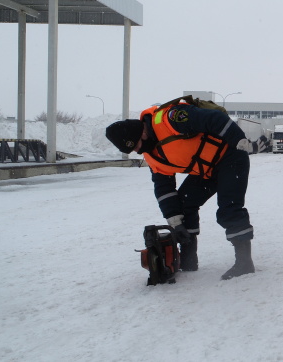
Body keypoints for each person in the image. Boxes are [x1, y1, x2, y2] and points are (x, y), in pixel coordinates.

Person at [105, 99, 257, 280]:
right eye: (134, 149)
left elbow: (213, 118)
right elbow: (163, 188)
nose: (138, 151)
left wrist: (238, 139)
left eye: (137, 144)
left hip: (231, 155)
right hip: (207, 169)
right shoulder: (152, 155)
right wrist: (175, 222)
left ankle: (244, 262)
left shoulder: (171, 119)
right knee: (184, 203)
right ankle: (188, 259)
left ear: (142, 131)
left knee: (229, 208)